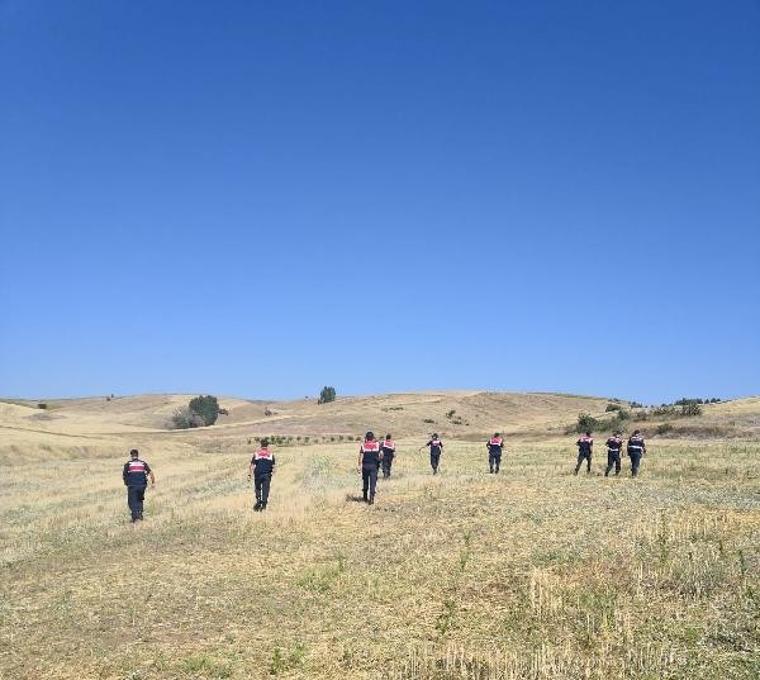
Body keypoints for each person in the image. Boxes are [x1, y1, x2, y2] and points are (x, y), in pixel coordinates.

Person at [122, 449, 155, 522]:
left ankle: (136, 519)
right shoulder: (143, 463)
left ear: (131, 455)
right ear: (137, 455)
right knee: (139, 500)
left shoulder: (128, 464)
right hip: (142, 486)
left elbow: (124, 476)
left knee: (132, 502)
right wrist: (153, 483)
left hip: (132, 486)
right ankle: (140, 515)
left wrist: (127, 483)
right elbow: (151, 473)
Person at [248, 439, 276, 511]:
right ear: (267, 445)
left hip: (258, 474)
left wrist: (249, 475)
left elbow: (252, 465)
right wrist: (271, 474)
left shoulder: (256, 454)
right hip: (267, 474)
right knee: (265, 490)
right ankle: (263, 505)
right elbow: (274, 467)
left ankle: (258, 500)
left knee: (257, 488)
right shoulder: (271, 455)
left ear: (261, 445)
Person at [358, 431, 381, 504]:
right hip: (374, 466)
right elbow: (381, 455)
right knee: (373, 482)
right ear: (373, 437)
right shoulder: (377, 445)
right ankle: (371, 498)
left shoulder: (363, 445)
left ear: (366, 438)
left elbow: (360, 456)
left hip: (365, 466)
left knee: (365, 481)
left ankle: (365, 496)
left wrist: (359, 466)